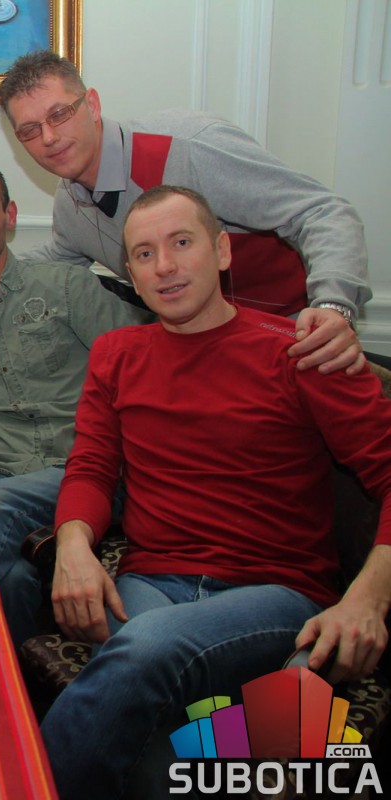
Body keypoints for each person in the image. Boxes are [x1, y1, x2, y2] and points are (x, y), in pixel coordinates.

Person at [41, 186, 391, 799]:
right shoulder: (116, 354)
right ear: (130, 274)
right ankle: (267, 710)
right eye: (144, 254)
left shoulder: (300, 350)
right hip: (152, 580)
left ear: (222, 250)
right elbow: (92, 466)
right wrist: (73, 544)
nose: (165, 266)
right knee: (156, 727)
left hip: (273, 593)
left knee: (141, 651)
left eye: (182, 243)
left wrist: (368, 598)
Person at [0, 50, 367, 376]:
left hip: (291, 339)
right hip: (197, 352)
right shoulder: (70, 201)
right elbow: (56, 259)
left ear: (92, 105)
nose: (49, 138)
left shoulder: (188, 146)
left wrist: (333, 305)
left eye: (59, 115)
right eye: (30, 130)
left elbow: (322, 211)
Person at [0, 160, 150, 645]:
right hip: (1, 469)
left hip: (88, 470)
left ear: (11, 216)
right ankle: (12, 680)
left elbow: (147, 353)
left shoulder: (66, 286)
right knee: (14, 577)